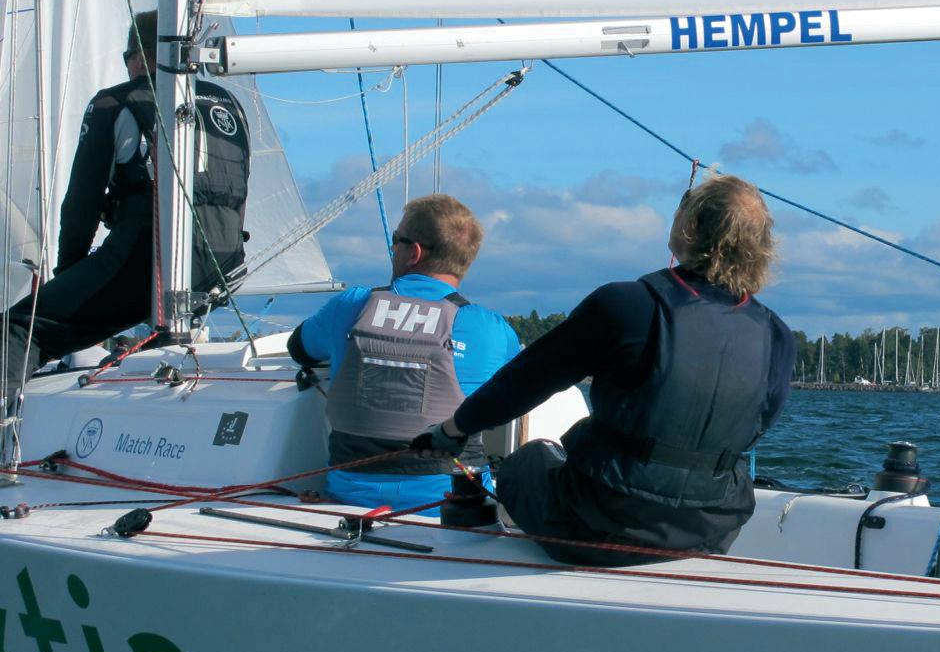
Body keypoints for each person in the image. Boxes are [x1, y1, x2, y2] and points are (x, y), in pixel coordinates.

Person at [414, 173, 795, 565]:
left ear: (692, 226)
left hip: (599, 524)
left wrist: (452, 430)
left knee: (526, 461)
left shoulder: (626, 305)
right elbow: (756, 425)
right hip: (708, 531)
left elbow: (524, 382)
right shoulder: (777, 336)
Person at [1, 10, 249, 402]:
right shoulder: (230, 104)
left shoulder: (112, 104)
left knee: (20, 328)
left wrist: (67, 275)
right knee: (144, 320)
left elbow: (81, 205)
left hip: (145, 262)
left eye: (127, 57)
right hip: (226, 266)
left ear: (141, 55)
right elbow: (239, 193)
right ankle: (156, 370)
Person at [288, 194, 521, 516]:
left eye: (396, 240)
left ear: (414, 252)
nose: (392, 248)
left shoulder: (350, 305)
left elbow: (300, 349)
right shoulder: (491, 329)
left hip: (350, 503)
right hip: (452, 512)